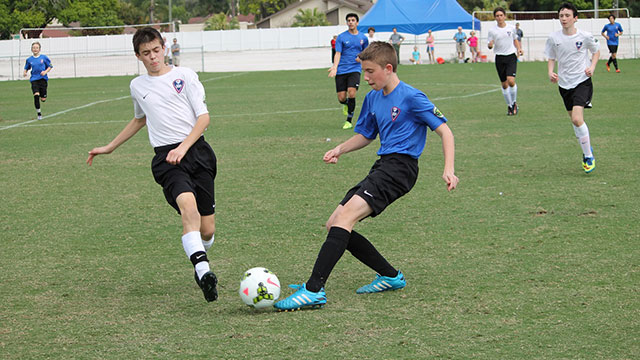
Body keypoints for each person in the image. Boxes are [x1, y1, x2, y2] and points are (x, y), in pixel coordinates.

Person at [274, 41, 459, 312]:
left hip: (401, 169)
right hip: (383, 166)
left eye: (370, 71)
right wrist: (340, 148)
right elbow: (366, 135)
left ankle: (314, 290)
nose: (366, 77)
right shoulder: (372, 97)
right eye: (364, 71)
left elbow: (445, 131)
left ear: (388, 67)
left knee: (345, 218)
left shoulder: (412, 97)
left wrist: (448, 168)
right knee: (335, 223)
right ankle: (390, 275)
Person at [86, 27, 219, 302]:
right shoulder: (137, 86)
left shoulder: (186, 76)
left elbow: (203, 118)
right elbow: (139, 119)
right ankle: (203, 270)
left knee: (207, 230)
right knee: (188, 208)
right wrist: (110, 147)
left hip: (197, 152)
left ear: (164, 48)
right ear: (138, 56)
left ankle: (201, 254)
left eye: (156, 50)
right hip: (166, 159)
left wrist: (184, 148)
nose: (153, 57)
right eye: (146, 53)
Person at [545, 2, 599, 173]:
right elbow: (551, 56)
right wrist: (551, 72)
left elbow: (596, 51)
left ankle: (588, 155)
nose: (564, 18)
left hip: (582, 81)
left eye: (567, 15)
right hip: (564, 84)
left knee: (577, 118)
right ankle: (586, 150)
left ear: (575, 18)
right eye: (561, 16)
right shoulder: (554, 38)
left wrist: (592, 67)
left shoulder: (584, 36)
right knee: (574, 121)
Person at [328, 13, 369, 130]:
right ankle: (345, 104)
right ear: (347, 23)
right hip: (342, 70)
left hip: (355, 69)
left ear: (357, 22)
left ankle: (349, 121)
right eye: (349, 20)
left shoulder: (363, 38)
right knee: (341, 98)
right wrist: (335, 67)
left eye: (353, 20)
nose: (350, 22)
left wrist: (361, 58)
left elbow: (366, 53)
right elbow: (338, 53)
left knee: (352, 92)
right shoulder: (341, 37)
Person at [487, 7, 523, 115]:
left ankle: (514, 103)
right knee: (504, 84)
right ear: (495, 17)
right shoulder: (492, 31)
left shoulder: (511, 28)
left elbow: (515, 40)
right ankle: (509, 105)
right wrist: (490, 45)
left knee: (511, 81)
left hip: (511, 56)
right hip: (499, 57)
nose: (499, 17)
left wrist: (519, 49)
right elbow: (489, 45)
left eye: (501, 15)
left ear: (505, 16)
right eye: (497, 16)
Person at [23, 42, 52, 120]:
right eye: (33, 48)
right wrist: (25, 72)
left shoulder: (44, 58)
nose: (35, 49)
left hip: (43, 79)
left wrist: (45, 72)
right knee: (36, 95)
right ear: (31, 49)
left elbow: (50, 66)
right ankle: (39, 114)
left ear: (39, 49)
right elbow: (27, 67)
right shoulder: (29, 60)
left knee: (43, 99)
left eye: (36, 48)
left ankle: (43, 96)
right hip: (34, 79)